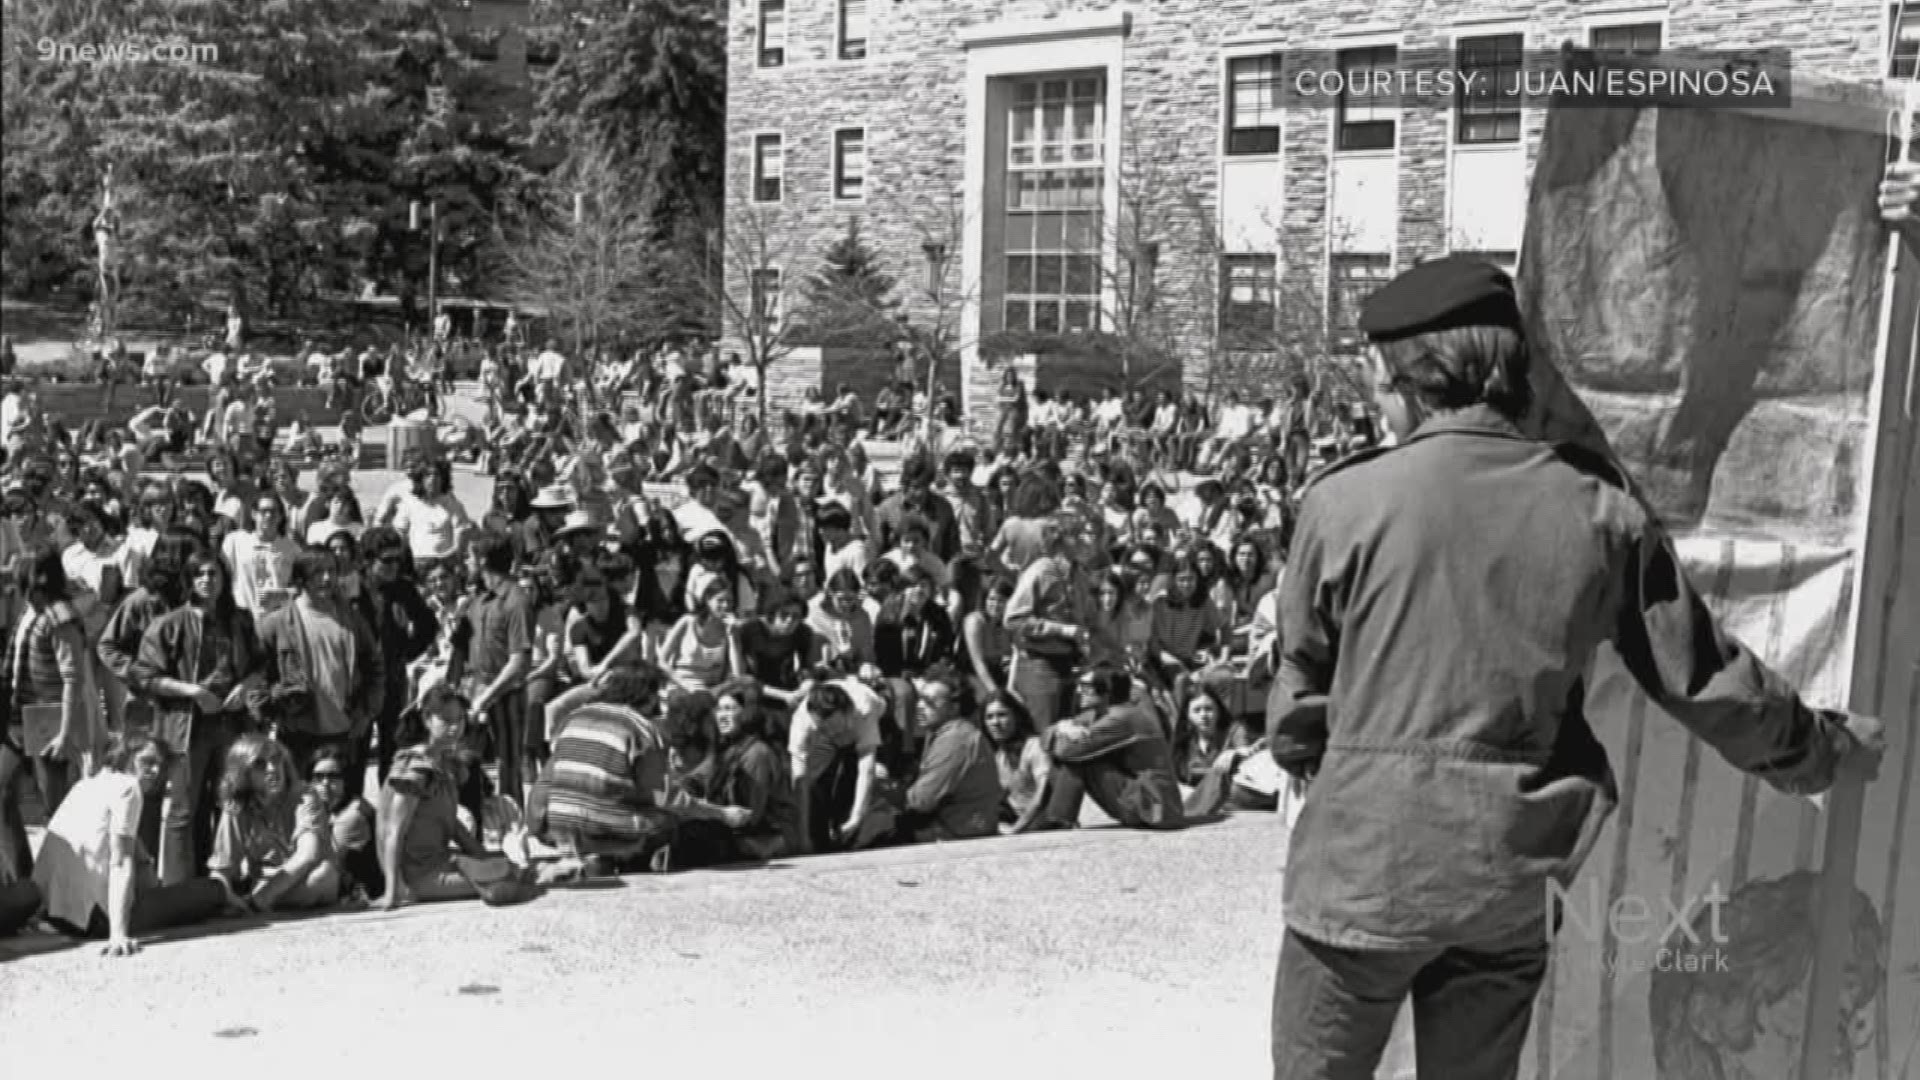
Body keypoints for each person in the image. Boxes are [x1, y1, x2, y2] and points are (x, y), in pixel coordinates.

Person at [1263, 256, 1886, 1080]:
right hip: (1504, 882)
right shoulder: (1597, 510)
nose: (1374, 398)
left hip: (1357, 879)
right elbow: (1704, 680)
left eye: (1377, 377)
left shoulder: (1342, 503)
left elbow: (1296, 707)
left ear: (1412, 374)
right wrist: (1824, 749)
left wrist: (1321, 751)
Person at [26, 732, 228, 955]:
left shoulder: (88, 783)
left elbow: (126, 846)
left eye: (159, 765)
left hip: (57, 916)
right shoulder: (128, 788)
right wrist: (118, 934)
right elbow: (120, 861)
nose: (155, 771)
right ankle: (228, 895)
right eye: (147, 762)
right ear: (125, 757)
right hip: (96, 920)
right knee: (210, 890)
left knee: (159, 890)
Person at [256, 552, 385, 772]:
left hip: (346, 733)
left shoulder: (352, 620)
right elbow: (257, 678)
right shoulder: (275, 623)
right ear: (300, 578)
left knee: (346, 803)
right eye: (317, 572)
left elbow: (375, 668)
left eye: (331, 571)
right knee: (299, 802)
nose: (327, 578)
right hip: (297, 735)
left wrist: (367, 713)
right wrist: (272, 710)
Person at [1024, 663, 1184, 833]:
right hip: (1142, 801)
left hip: (1153, 805)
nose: (1079, 692)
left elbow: (1067, 751)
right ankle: (1054, 817)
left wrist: (1062, 730)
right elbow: (1045, 735)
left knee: (1079, 759)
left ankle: (1056, 819)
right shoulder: (1099, 713)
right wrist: (1063, 727)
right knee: (1075, 748)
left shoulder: (1122, 717)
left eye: (1086, 687)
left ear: (1106, 690)